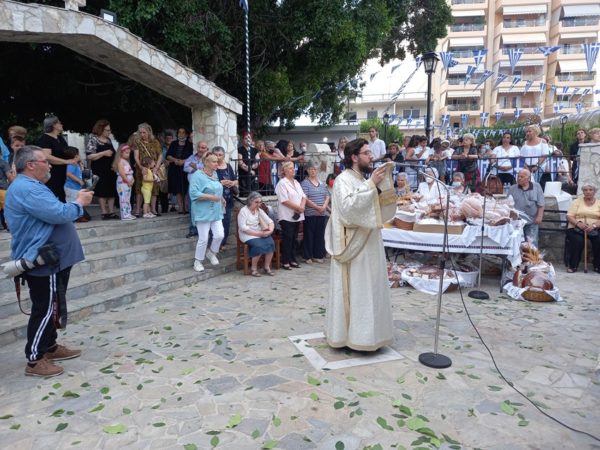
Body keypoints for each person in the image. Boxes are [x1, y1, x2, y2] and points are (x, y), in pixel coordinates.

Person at [4, 146, 93, 377]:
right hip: (44, 258)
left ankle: (49, 346)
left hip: (53, 257)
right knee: (44, 308)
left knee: (52, 304)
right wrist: (80, 202)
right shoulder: (27, 188)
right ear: (31, 165)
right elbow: (59, 213)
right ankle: (35, 359)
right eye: (45, 161)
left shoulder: (31, 186)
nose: (50, 164)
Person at [325, 137, 395, 351]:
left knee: (372, 288)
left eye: (371, 152)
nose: (371, 156)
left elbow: (376, 207)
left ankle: (372, 335)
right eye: (367, 153)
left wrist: (382, 186)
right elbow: (348, 209)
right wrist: (371, 184)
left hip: (371, 242)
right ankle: (353, 337)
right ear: (354, 157)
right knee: (358, 290)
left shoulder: (361, 179)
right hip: (354, 247)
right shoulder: (343, 180)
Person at [189, 152, 224, 272]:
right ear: (206, 162)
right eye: (214, 161)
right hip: (202, 212)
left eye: (217, 161)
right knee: (203, 239)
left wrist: (221, 198)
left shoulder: (215, 174)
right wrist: (211, 197)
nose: (217, 163)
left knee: (220, 235)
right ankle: (197, 261)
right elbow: (193, 193)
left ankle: (211, 252)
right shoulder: (197, 175)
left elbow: (216, 189)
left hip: (216, 210)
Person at [36, 115, 78, 202]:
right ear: (54, 125)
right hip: (51, 175)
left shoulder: (60, 138)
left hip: (61, 175)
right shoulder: (45, 139)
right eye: (59, 123)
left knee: (61, 197)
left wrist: (75, 157)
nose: (62, 124)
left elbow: (65, 152)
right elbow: (47, 157)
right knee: (52, 197)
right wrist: (66, 161)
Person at [275, 161, 306, 270]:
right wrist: (298, 208)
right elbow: (284, 200)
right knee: (288, 238)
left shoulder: (296, 182)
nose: (293, 170)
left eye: (293, 168)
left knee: (294, 238)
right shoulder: (282, 183)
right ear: (285, 170)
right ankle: (285, 261)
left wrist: (301, 207)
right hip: (287, 215)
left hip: (297, 214)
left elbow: (303, 196)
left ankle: (292, 259)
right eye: (290, 168)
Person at [237, 191, 276, 276]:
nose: (259, 204)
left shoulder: (259, 210)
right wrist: (259, 234)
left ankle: (266, 267)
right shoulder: (243, 211)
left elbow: (270, 221)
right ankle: (253, 269)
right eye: (256, 202)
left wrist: (270, 231)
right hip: (247, 235)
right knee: (259, 245)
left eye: (260, 202)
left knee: (271, 243)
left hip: (259, 233)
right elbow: (243, 227)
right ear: (250, 201)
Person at [86, 119, 118, 219]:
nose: (109, 132)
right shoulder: (93, 139)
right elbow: (90, 156)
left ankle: (112, 211)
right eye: (107, 130)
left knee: (112, 190)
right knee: (102, 191)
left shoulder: (109, 140)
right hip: (100, 170)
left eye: (109, 130)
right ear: (101, 129)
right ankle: (104, 212)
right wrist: (103, 153)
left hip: (111, 169)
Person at [566, 184, 600, 273]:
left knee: (599, 240)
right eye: (585, 190)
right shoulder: (577, 202)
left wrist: (594, 226)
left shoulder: (599, 203)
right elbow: (569, 216)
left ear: (594, 192)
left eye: (590, 190)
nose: (588, 192)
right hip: (576, 227)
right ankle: (573, 266)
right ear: (583, 192)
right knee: (577, 240)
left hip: (595, 228)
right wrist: (578, 224)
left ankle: (598, 265)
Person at [301, 161, 330, 263]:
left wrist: (323, 207)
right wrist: (317, 207)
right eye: (310, 169)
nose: (313, 171)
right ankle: (308, 256)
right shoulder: (305, 183)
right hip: (310, 213)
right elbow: (305, 198)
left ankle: (318, 255)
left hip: (321, 213)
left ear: (317, 171)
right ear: (307, 171)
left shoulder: (321, 183)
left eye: (314, 169)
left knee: (319, 235)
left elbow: (327, 196)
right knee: (309, 235)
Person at [132, 123, 163, 217]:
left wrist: (156, 167)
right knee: (140, 189)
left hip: (153, 168)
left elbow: (160, 155)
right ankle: (138, 209)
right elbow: (136, 156)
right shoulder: (137, 142)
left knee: (154, 189)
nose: (142, 134)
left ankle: (153, 209)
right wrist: (141, 167)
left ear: (149, 131)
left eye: (144, 132)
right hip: (141, 169)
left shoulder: (155, 142)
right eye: (140, 132)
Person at [507, 169, 545, 247]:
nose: (519, 178)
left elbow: (541, 203)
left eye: (522, 177)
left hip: (532, 221)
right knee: (517, 244)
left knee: (531, 244)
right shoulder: (512, 188)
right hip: (517, 221)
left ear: (528, 178)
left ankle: (531, 255)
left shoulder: (537, 187)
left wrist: (539, 216)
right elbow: (508, 204)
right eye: (518, 176)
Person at [213, 146, 238, 249]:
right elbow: (209, 183)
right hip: (216, 200)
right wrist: (221, 183)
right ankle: (215, 244)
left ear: (223, 156)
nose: (218, 157)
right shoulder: (212, 168)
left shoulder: (228, 166)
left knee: (226, 222)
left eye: (220, 155)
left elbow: (235, 180)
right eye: (216, 155)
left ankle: (222, 243)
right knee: (216, 223)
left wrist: (232, 183)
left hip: (228, 199)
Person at [166, 127, 193, 214]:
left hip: (186, 169)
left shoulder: (190, 145)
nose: (181, 134)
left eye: (183, 132)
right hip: (175, 169)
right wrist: (175, 160)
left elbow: (192, 156)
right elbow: (168, 155)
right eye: (179, 132)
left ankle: (186, 207)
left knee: (185, 188)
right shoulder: (173, 143)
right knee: (177, 188)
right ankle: (181, 208)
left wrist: (183, 161)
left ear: (186, 134)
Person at [113, 144, 136, 221]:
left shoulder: (126, 161)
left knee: (127, 198)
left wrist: (132, 180)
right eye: (126, 153)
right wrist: (128, 181)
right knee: (123, 199)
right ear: (121, 153)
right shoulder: (120, 161)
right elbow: (122, 173)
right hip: (123, 183)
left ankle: (128, 213)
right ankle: (125, 215)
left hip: (128, 183)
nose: (128, 154)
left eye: (129, 153)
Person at [63, 147, 86, 222]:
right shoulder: (72, 165)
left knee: (76, 200)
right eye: (79, 154)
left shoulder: (76, 164)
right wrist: (79, 180)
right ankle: (72, 217)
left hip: (75, 187)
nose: (80, 156)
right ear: (76, 156)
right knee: (72, 201)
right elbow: (68, 174)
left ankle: (78, 216)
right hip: (71, 187)